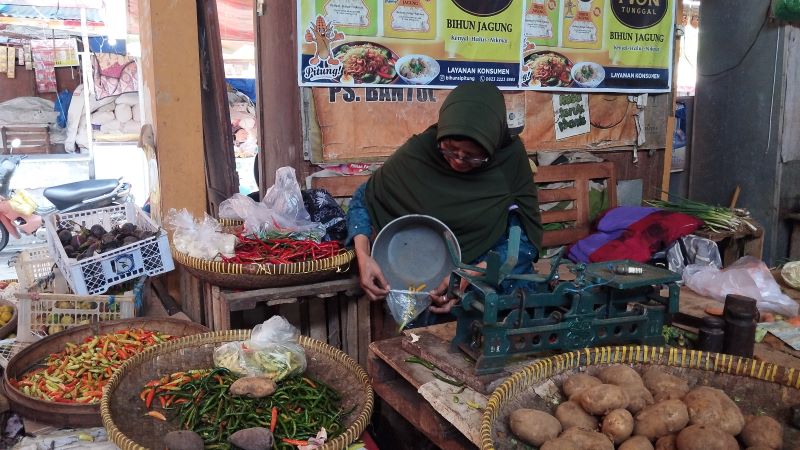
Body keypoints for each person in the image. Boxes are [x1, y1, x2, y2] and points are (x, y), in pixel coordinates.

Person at [347, 82, 543, 319]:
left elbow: (524, 242)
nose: (458, 160)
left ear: (492, 147)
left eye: (473, 157)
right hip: (426, 280)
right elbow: (364, 198)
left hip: (488, 280)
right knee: (426, 334)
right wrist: (363, 256)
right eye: (450, 150)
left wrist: (471, 275)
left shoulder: (509, 159)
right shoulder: (421, 151)